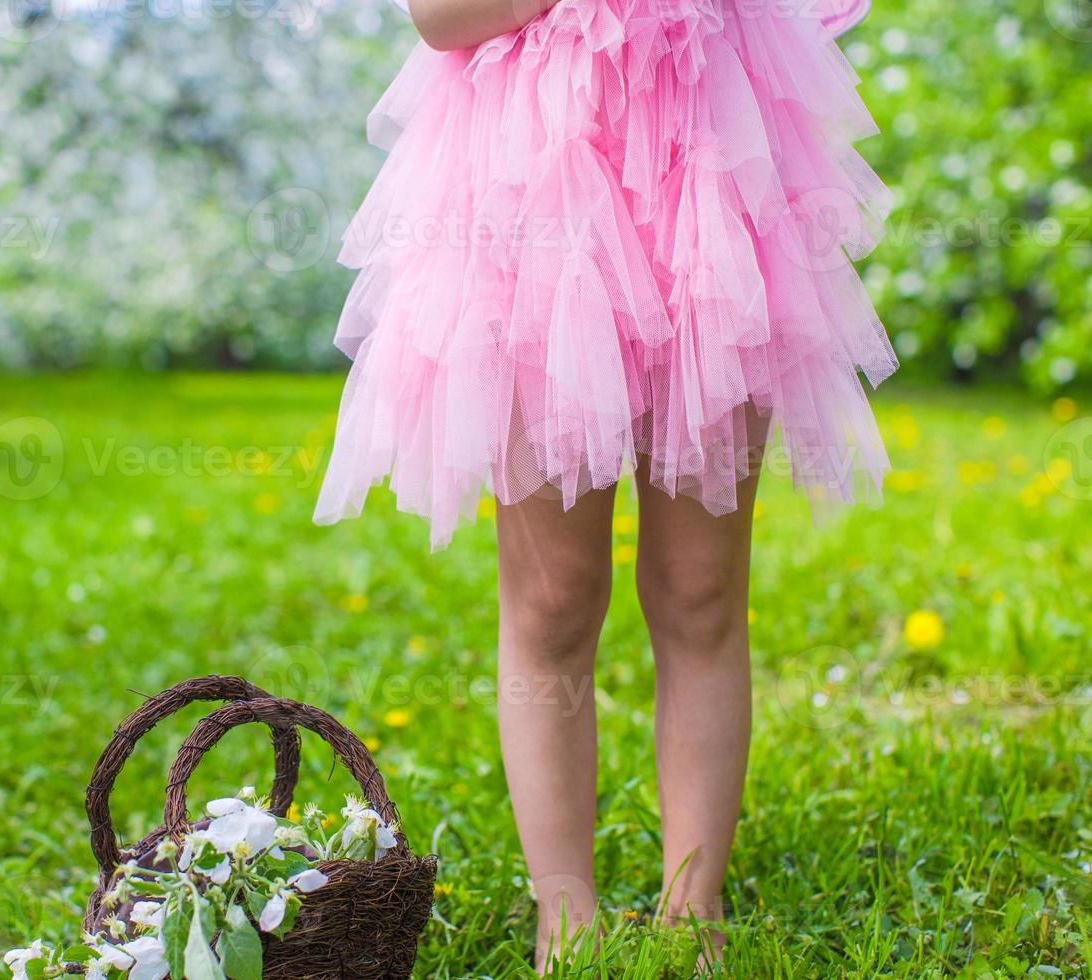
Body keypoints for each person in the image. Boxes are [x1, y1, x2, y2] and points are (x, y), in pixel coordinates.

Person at [313, 0, 896, 969]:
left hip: (712, 163)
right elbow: (439, 16)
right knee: (552, 592)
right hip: (529, 185)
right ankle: (565, 911)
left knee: (703, 587)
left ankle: (692, 905)